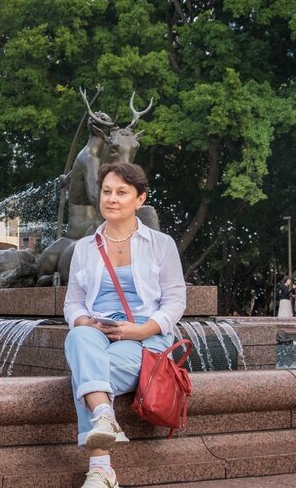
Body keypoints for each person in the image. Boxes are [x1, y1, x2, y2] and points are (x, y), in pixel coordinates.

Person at [63, 162, 186, 488]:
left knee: (86, 374)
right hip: (99, 332)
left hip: (147, 338)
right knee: (77, 336)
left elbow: (175, 301)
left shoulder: (161, 244)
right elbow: (73, 304)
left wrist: (143, 330)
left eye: (121, 192)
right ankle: (105, 417)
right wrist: (86, 321)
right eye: (106, 191)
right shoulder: (84, 248)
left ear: (140, 199)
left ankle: (101, 468)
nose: (112, 199)